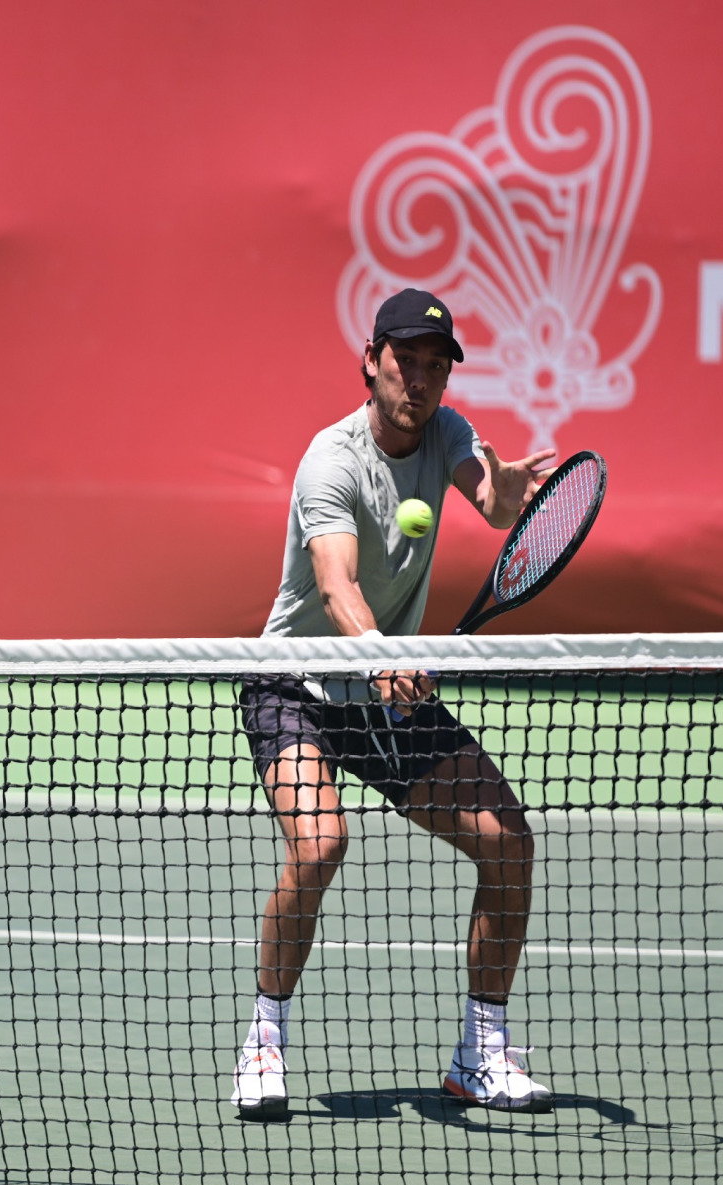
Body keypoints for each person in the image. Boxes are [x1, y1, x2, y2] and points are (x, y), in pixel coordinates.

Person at [230, 288, 555, 1120]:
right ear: (370, 363)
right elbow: (336, 585)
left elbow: (493, 501)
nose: (419, 377)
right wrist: (380, 656)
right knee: (321, 844)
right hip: (296, 685)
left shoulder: (446, 433)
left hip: (383, 692)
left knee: (509, 845)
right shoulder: (330, 461)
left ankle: (480, 1055)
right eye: (405, 360)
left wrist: (504, 493)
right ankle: (264, 1040)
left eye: (435, 366)